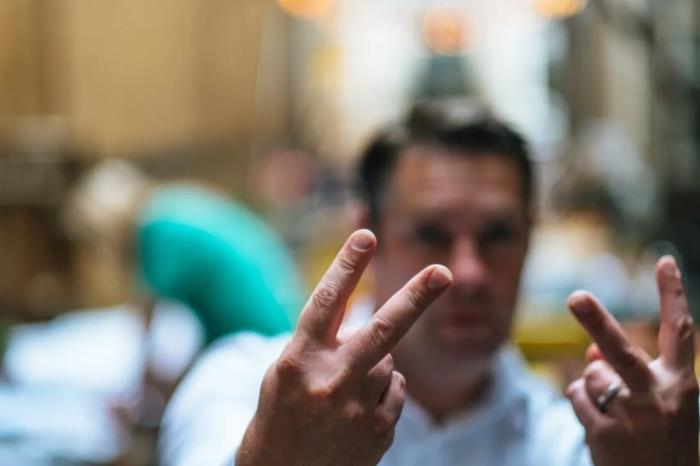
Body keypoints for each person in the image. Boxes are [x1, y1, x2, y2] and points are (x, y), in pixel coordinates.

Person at [158, 100, 699, 466]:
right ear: (364, 234)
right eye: (430, 234)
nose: (469, 272)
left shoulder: (574, 444)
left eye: (498, 235)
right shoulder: (245, 387)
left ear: (530, 239)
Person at [65, 160, 306, 344]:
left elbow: (149, 319)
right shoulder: (168, 205)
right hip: (281, 312)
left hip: (261, 331)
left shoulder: (155, 230)